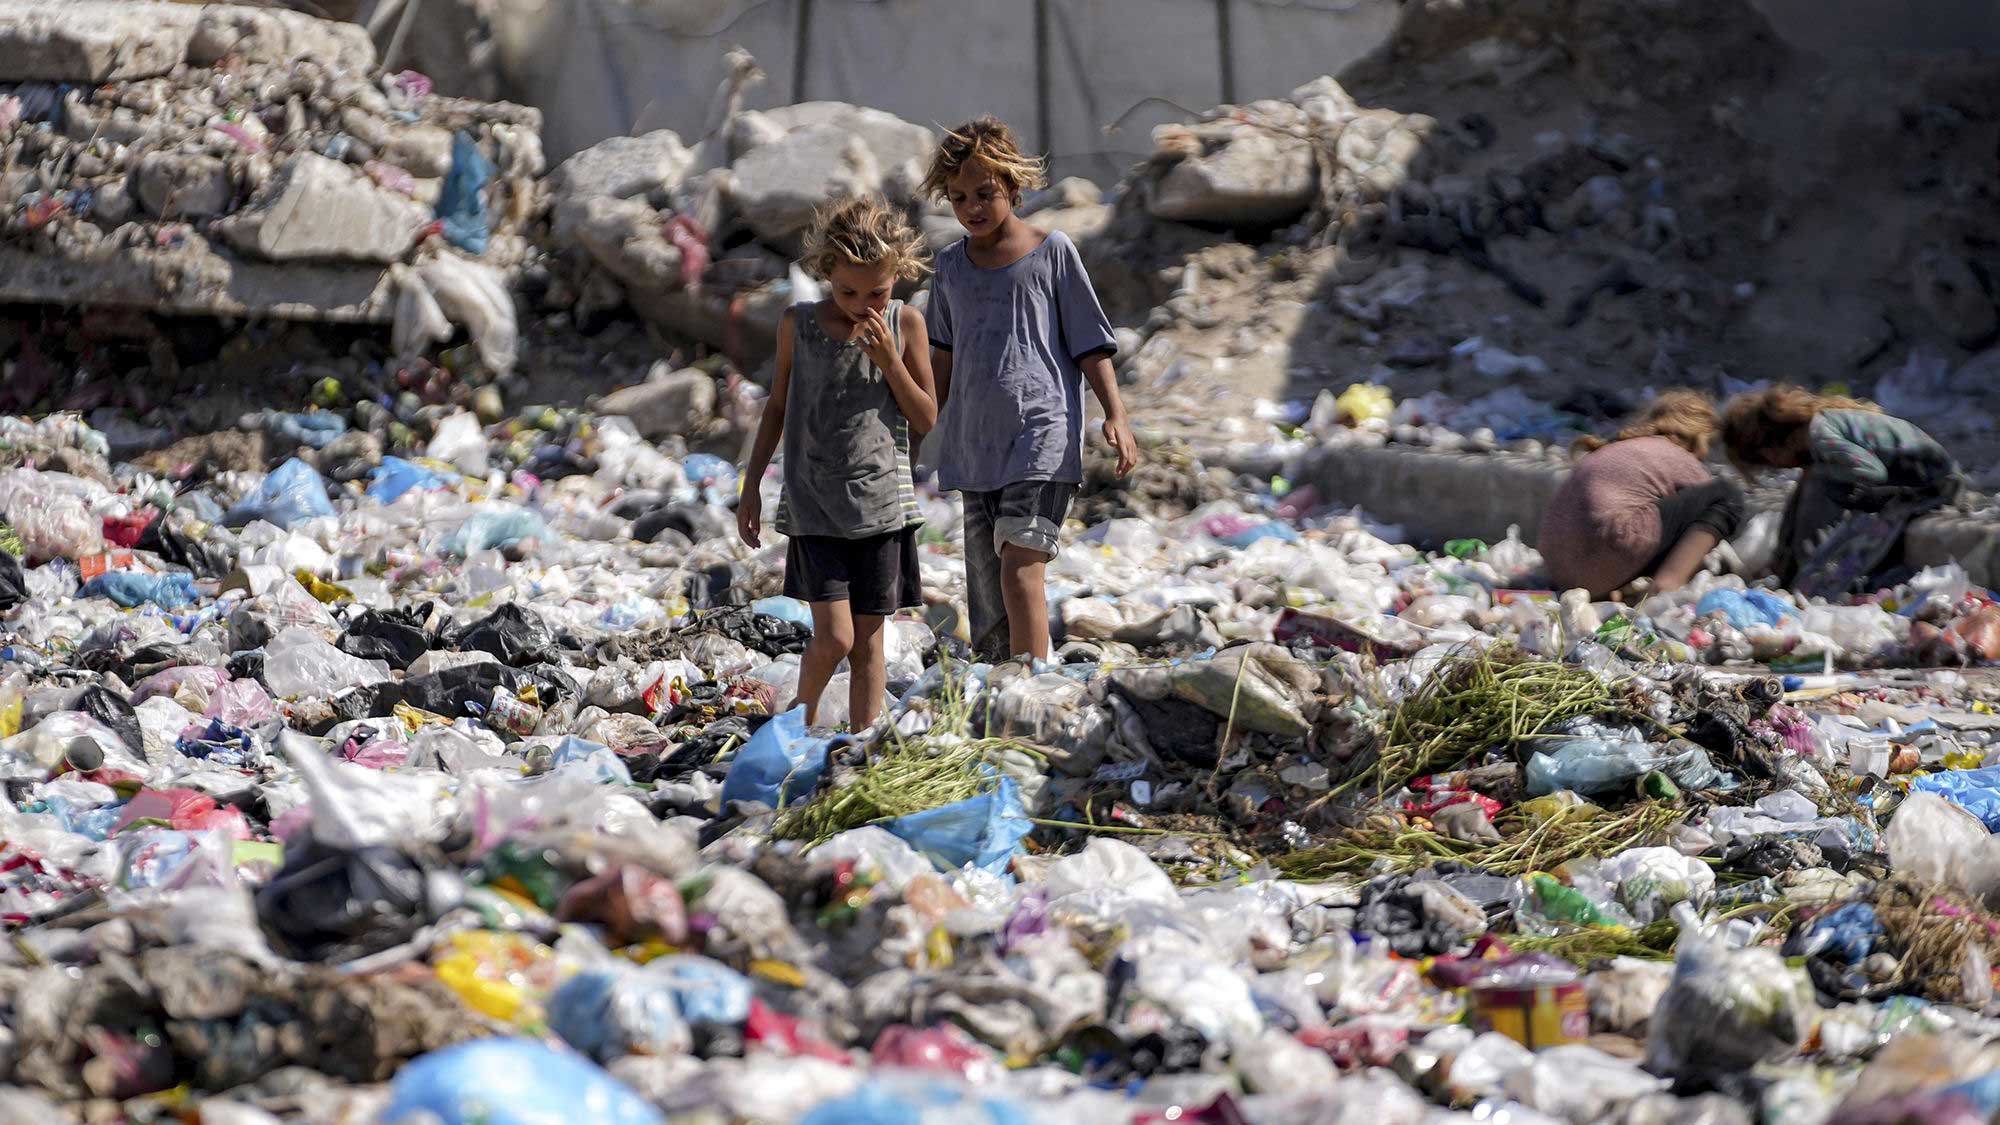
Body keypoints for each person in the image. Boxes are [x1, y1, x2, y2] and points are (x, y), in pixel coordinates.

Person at [921, 116, 1138, 663]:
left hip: (1041, 436)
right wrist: (917, 426)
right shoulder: (948, 268)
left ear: (1014, 188)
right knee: (989, 600)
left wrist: (1115, 413)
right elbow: (940, 358)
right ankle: (1004, 694)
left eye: (985, 193)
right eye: (959, 197)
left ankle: (1036, 684)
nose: (972, 206)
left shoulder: (1053, 252)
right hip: (976, 448)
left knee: (1022, 567)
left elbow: (1090, 342)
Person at [737, 196, 938, 729]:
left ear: (899, 275)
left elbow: (927, 418)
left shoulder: (906, 325)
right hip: (814, 505)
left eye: (878, 291)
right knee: (835, 636)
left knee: (869, 643)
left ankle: (859, 746)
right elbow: (777, 406)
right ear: (825, 272)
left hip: (881, 509)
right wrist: (752, 485)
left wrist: (890, 361)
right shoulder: (796, 325)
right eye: (848, 291)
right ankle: (795, 728)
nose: (863, 304)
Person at [1723, 384, 1962, 597]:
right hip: (1918, 480)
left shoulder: (1821, 436)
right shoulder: (1820, 430)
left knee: (1823, 484)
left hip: (1933, 483)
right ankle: (1793, 575)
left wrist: (1838, 489)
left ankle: (1808, 584)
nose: (1777, 467)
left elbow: (1872, 471)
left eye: (1768, 463)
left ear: (1770, 450)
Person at [1538, 390, 1743, 600]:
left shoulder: (1618, 448)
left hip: (1559, 570)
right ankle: (1666, 587)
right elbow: (1710, 511)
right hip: (1605, 554)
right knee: (1727, 494)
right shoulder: (1675, 455)